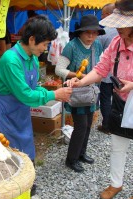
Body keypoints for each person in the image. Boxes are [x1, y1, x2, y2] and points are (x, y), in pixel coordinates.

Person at [0, 15, 72, 199]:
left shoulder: (32, 58)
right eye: (45, 44)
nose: (46, 49)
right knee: (3, 157)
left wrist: (53, 92)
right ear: (32, 40)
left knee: (27, 153)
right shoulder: (10, 59)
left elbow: (33, 88)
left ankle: (30, 193)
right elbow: (24, 94)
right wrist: (53, 94)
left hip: (20, 113)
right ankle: (2, 198)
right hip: (3, 114)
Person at [65, 0, 133, 199]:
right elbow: (101, 68)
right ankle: (116, 183)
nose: (119, 29)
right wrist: (80, 81)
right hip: (121, 103)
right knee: (117, 146)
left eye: (123, 24)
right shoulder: (116, 43)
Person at [55, 14, 104, 172]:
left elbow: (101, 66)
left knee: (89, 123)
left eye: (94, 33)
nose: (91, 36)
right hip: (76, 92)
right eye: (87, 33)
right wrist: (80, 76)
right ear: (80, 33)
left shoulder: (97, 46)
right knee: (81, 126)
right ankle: (71, 159)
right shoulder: (72, 46)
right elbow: (59, 69)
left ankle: (81, 153)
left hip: (91, 91)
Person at [97, 3, 118, 134]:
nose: (101, 17)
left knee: (105, 100)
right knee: (117, 100)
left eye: (103, 14)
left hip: (106, 74)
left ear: (109, 15)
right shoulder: (123, 30)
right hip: (120, 75)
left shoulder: (104, 32)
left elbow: (97, 51)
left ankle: (107, 125)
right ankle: (117, 124)